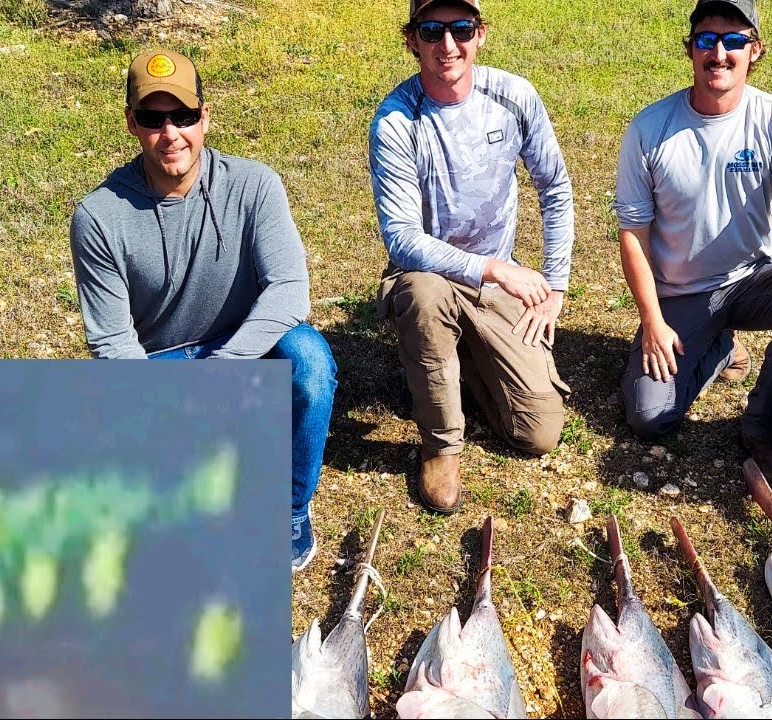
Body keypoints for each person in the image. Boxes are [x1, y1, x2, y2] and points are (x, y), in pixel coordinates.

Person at [68, 48, 337, 572]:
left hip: (242, 348)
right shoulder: (98, 217)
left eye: (183, 115)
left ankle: (288, 512)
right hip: (158, 366)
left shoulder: (255, 185)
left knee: (309, 360)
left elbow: (289, 290)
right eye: (153, 119)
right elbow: (113, 343)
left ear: (205, 117)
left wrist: (225, 369)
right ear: (131, 123)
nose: (170, 133)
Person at [613, 0, 772, 492]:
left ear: (755, 50)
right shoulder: (650, 128)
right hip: (682, 293)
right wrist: (652, 320)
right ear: (690, 49)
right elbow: (633, 233)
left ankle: (762, 424)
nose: (719, 53)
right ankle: (719, 348)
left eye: (733, 40)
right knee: (649, 418)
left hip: (754, 279)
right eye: (706, 39)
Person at [368, 0, 576, 514]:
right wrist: (493, 268)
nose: (448, 45)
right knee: (423, 292)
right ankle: (440, 444)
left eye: (461, 29)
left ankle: (454, 365)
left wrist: (555, 285)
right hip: (431, 276)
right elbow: (402, 238)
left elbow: (555, 188)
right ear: (411, 39)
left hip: (495, 286)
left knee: (538, 431)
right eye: (431, 31)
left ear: (480, 33)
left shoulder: (513, 96)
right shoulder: (396, 120)